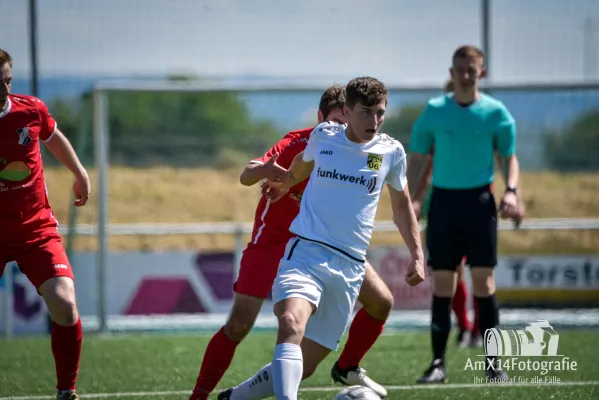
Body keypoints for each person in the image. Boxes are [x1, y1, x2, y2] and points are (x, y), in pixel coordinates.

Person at [218, 76, 425, 400]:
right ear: (347, 109)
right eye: (366, 112)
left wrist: (417, 253)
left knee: (306, 364)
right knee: (290, 323)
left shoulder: (390, 152)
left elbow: (401, 209)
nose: (374, 121)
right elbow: (300, 168)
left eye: (380, 113)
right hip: (306, 254)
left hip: (351, 268)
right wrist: (284, 182)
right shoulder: (324, 136)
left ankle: (234, 398)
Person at [408, 45, 522, 384]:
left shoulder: (496, 112)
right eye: (460, 68)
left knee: (484, 283)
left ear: (481, 71)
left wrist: (512, 190)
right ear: (452, 72)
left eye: (472, 68)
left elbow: (509, 157)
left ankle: (493, 366)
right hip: (443, 203)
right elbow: (417, 157)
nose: (466, 74)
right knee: (443, 283)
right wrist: (411, 199)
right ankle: (437, 364)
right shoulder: (433, 111)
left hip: (480, 203)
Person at [0, 49, 90, 400]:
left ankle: (66, 390)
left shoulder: (30, 109)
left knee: (65, 305)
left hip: (35, 228)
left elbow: (53, 137)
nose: (5, 90)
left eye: (8, 80)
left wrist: (79, 173)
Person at [411, 79, 480, 349]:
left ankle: (470, 327)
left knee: (469, 272)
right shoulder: (439, 126)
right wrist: (416, 200)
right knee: (449, 272)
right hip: (439, 208)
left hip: (469, 207)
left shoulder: (478, 125)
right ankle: (466, 327)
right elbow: (426, 168)